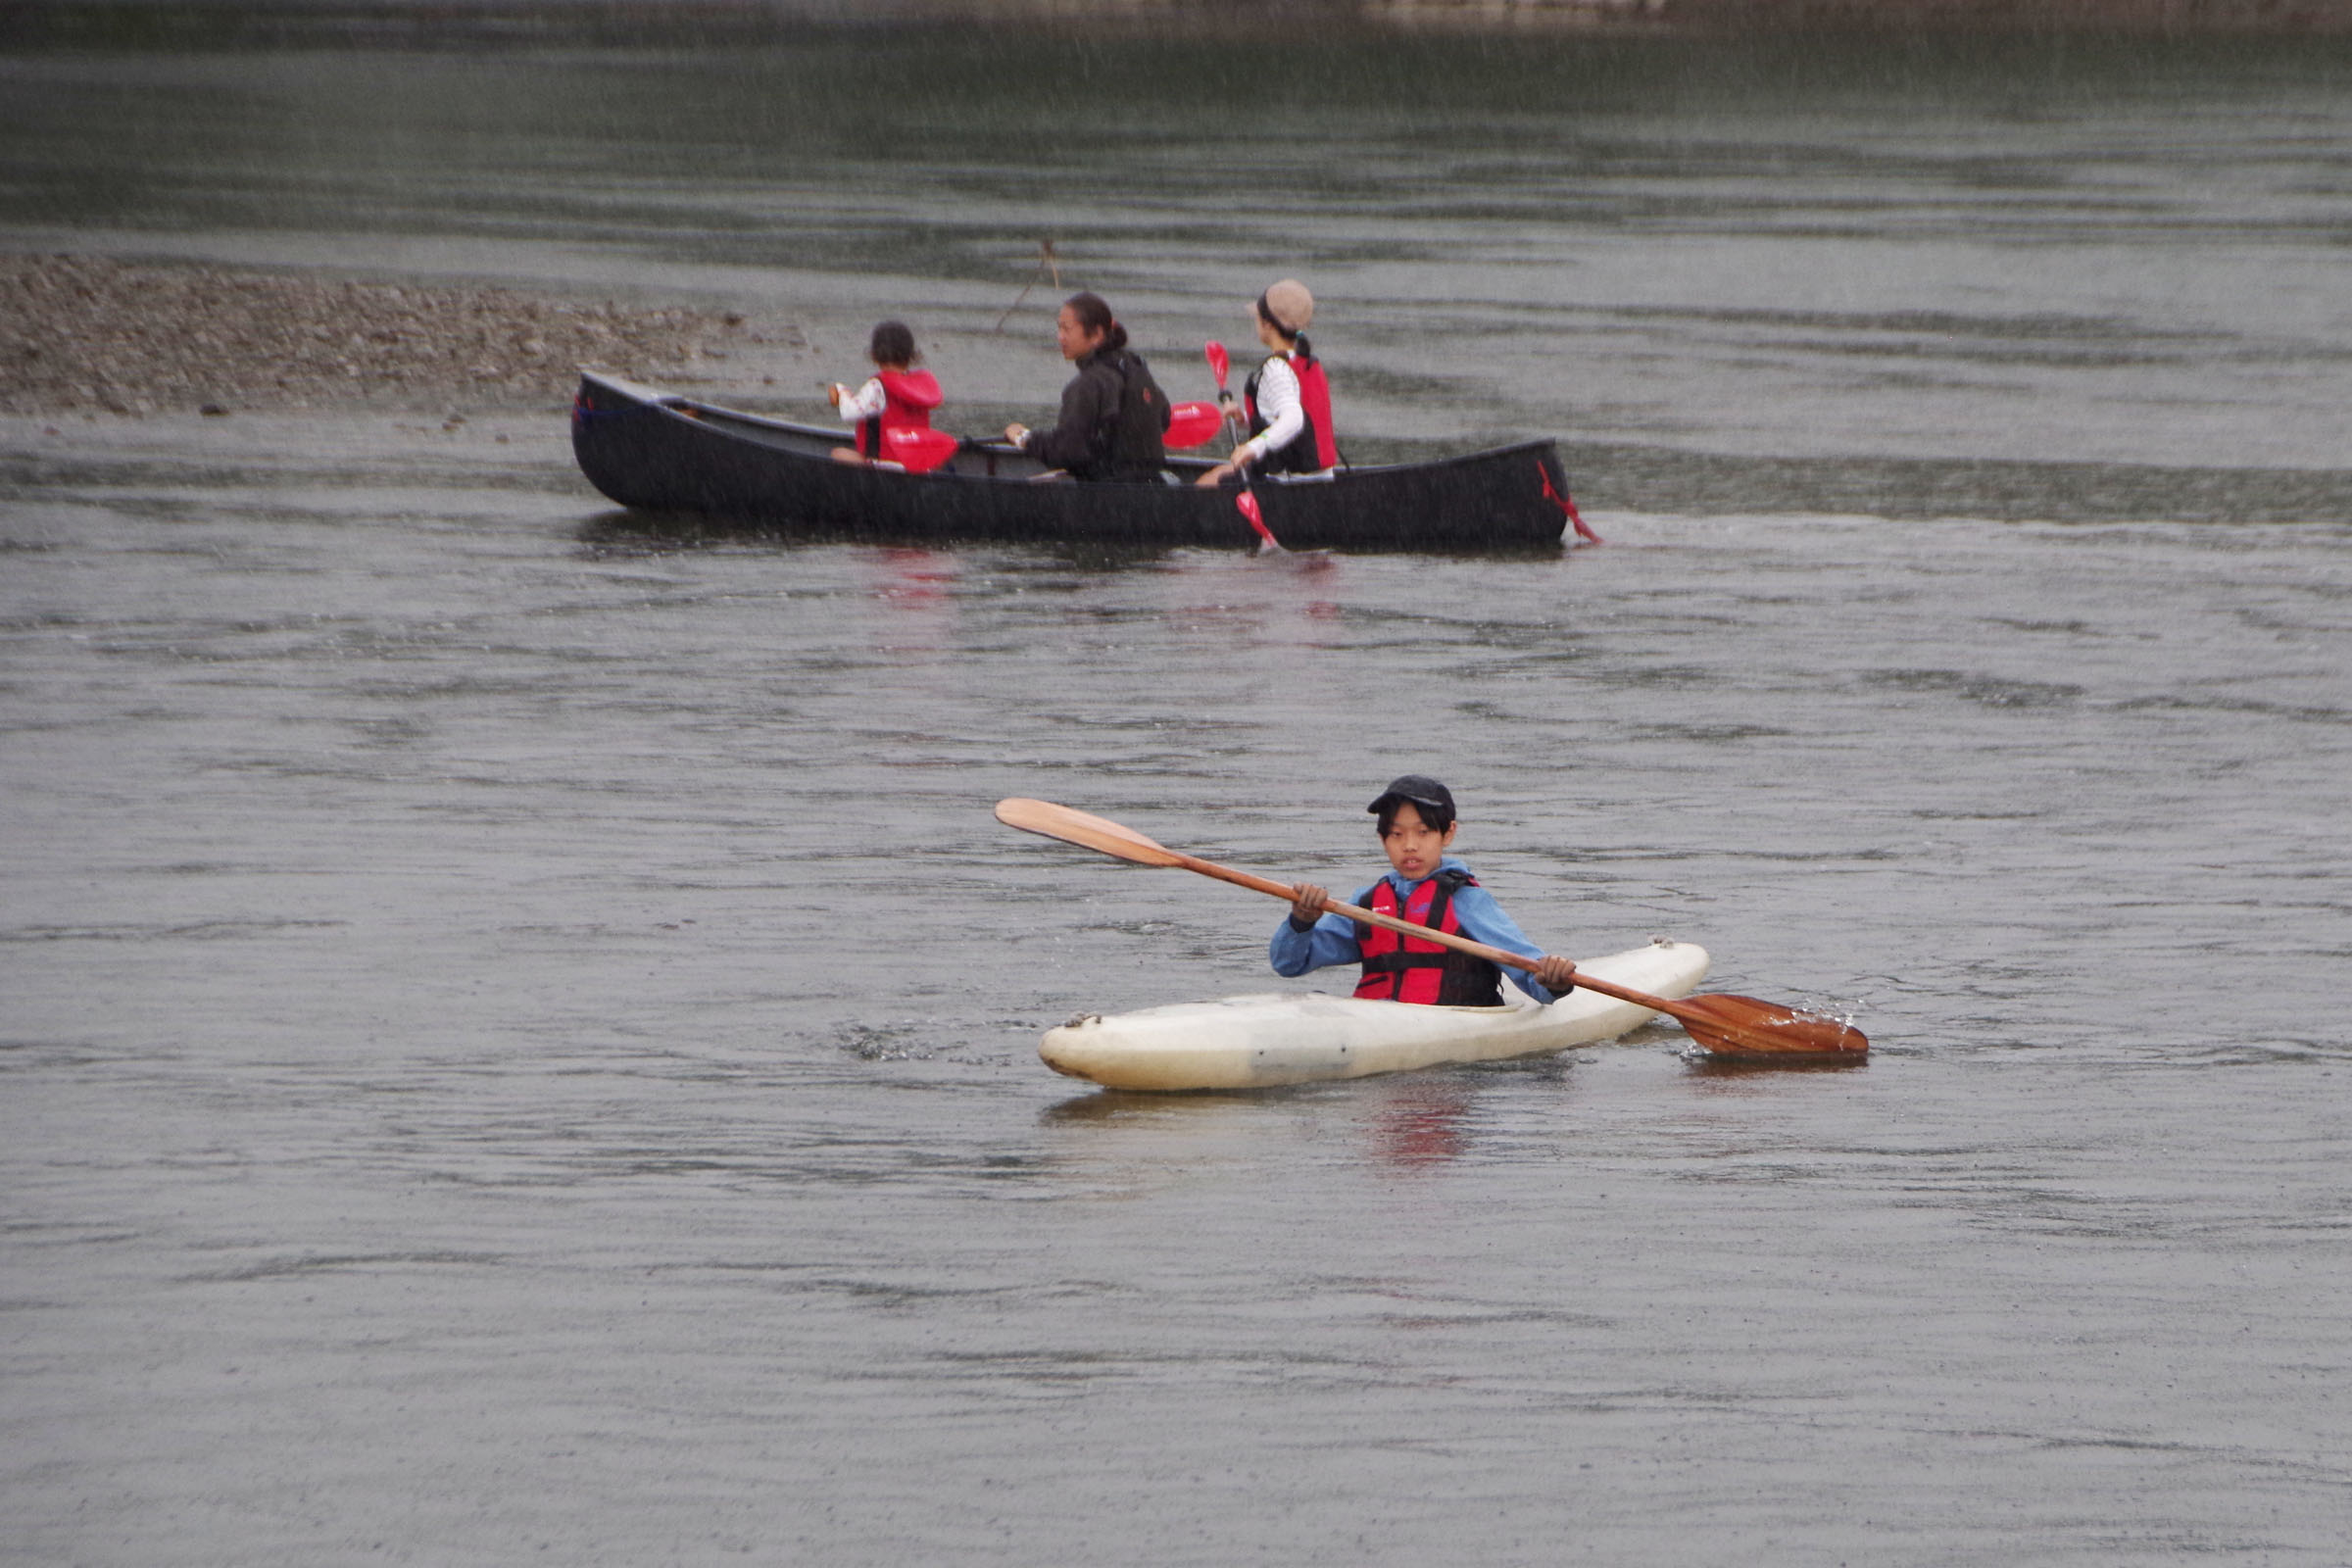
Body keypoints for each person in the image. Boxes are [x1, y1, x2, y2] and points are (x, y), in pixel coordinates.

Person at [1271, 775, 1579, 1006]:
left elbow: (1531, 978)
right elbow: (1289, 964)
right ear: (1383, 840)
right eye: (1396, 834)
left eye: (1423, 832)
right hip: (1377, 1023)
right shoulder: (1364, 904)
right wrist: (1302, 920)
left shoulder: (1467, 901)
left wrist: (1553, 980)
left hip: (1452, 1029)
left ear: (1448, 834)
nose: (1409, 845)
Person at [1003, 292, 1172, 482]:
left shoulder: (1088, 384)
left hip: (1105, 495)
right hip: (1150, 489)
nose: (1060, 337)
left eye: (1067, 329)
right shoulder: (1137, 368)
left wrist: (1025, 438)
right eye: (1059, 329)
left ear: (1097, 335)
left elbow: (1067, 451)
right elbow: (1164, 418)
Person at [1197, 277, 1340, 488]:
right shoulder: (1305, 362)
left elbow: (1293, 418)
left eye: (1257, 318)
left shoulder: (1276, 368)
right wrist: (1244, 418)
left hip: (1287, 483)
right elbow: (1286, 412)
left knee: (1205, 483)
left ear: (1267, 324)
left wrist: (1253, 447)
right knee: (1220, 472)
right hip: (1322, 479)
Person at [826, 320, 943, 466]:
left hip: (886, 466)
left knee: (837, 454)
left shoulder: (878, 386)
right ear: (912, 355)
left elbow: (849, 412)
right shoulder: (919, 386)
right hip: (915, 464)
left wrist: (841, 391)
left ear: (874, 355)